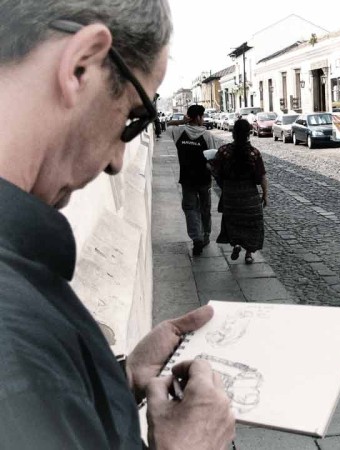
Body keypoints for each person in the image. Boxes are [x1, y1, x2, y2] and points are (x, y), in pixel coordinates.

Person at [0, 1, 235, 449]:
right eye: (133, 117)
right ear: (81, 64)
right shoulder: (16, 350)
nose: (115, 161)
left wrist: (116, 378)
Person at [213, 119, 268, 264]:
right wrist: (265, 195)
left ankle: (236, 244)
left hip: (231, 197)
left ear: (233, 133)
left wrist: (224, 185)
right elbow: (261, 176)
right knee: (252, 225)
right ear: (249, 134)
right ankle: (249, 254)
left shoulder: (224, 151)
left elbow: (216, 172)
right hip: (250, 197)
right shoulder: (254, 153)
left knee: (233, 223)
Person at [167, 104, 216, 256]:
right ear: (199, 117)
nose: (204, 119)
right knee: (205, 208)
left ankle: (196, 238)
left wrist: (182, 121)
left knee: (190, 209)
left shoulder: (179, 131)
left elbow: (166, 125)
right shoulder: (207, 136)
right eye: (203, 116)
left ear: (189, 117)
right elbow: (213, 159)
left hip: (187, 179)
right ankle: (206, 235)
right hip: (204, 179)